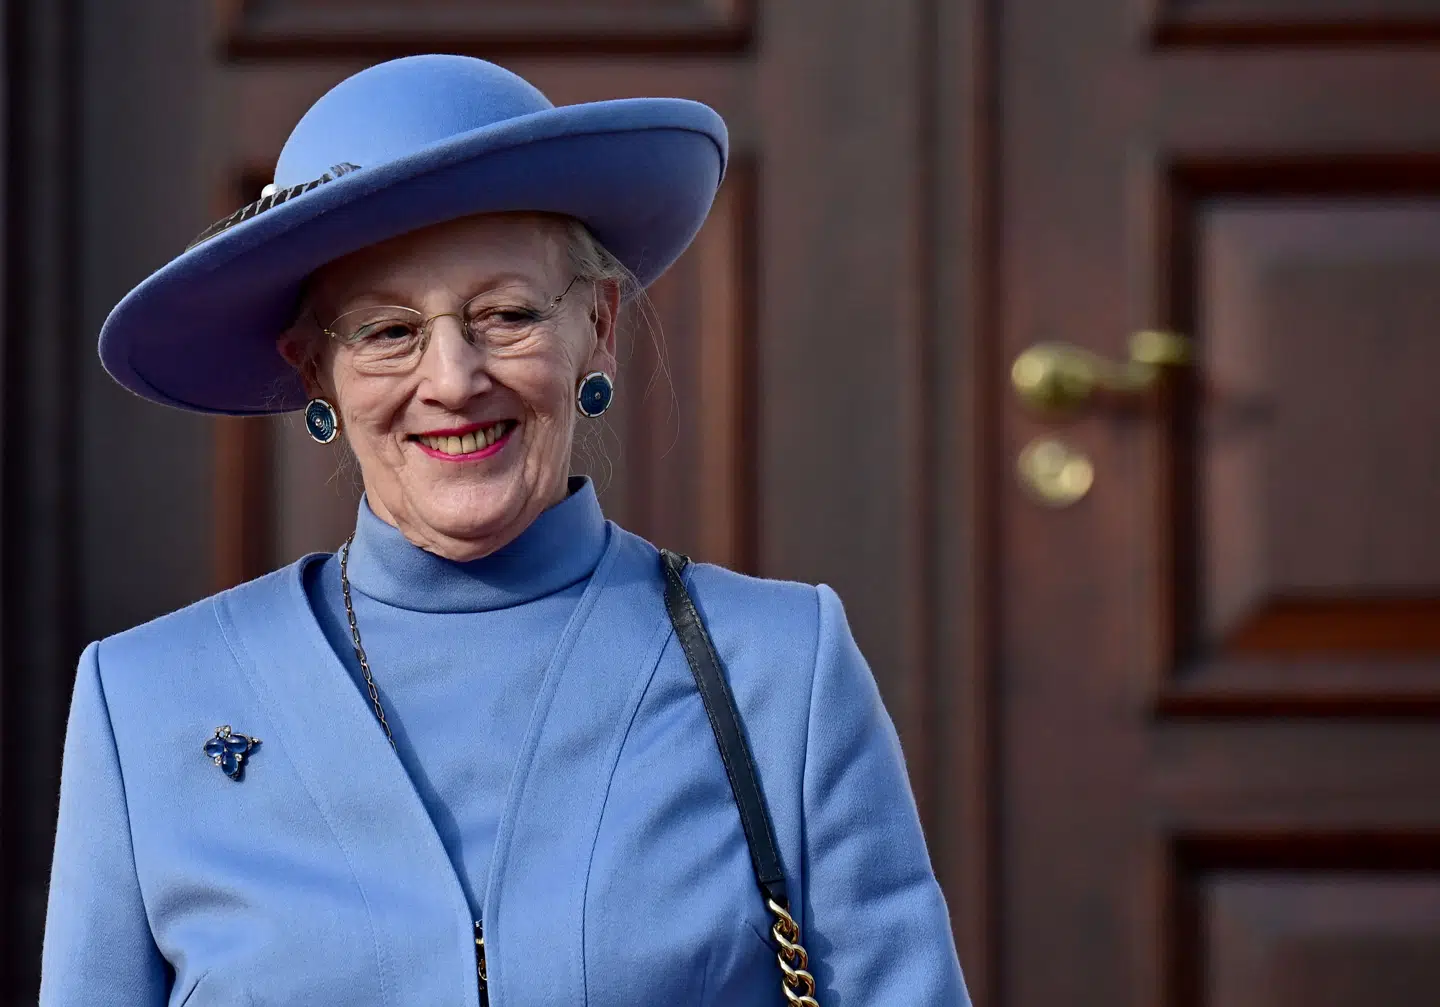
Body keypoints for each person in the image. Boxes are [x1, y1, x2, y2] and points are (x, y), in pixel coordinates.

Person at [40, 54, 969, 1006]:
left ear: (598, 326)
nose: (453, 378)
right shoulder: (146, 701)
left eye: (507, 314)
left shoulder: (779, 669)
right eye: (388, 331)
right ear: (315, 370)